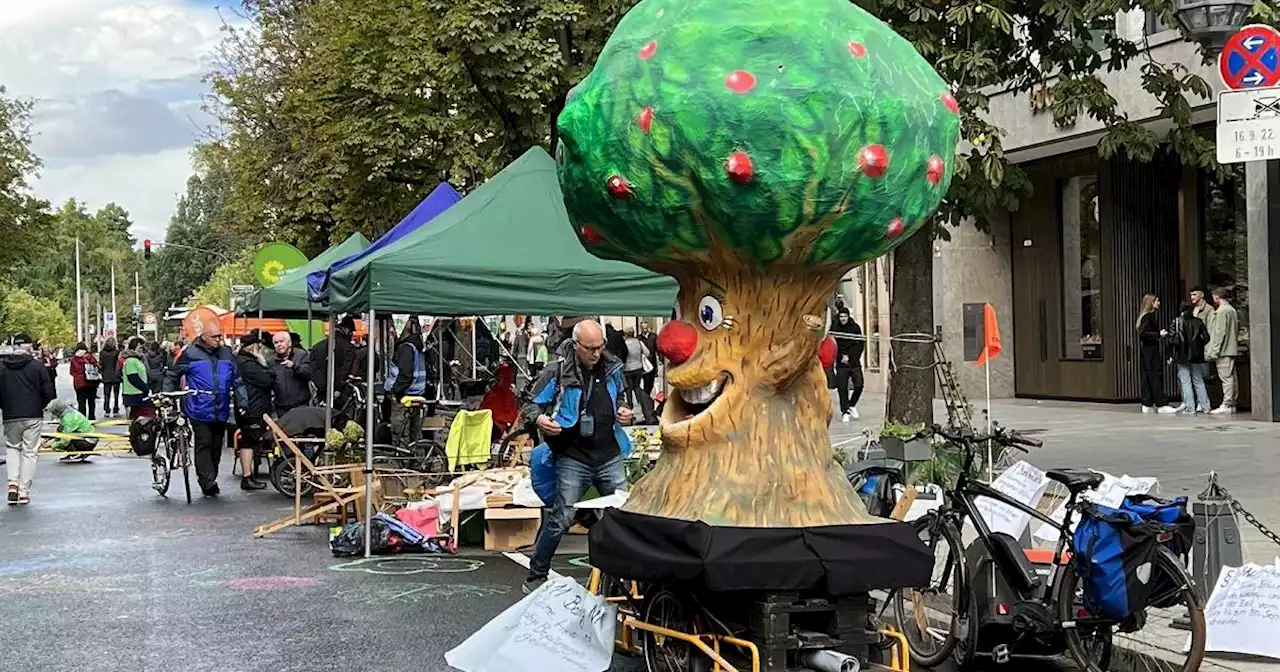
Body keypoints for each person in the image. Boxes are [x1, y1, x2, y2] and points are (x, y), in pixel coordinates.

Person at [520, 320, 633, 594]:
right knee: (562, 517)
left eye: (600, 347)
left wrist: (624, 410)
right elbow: (529, 404)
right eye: (590, 348)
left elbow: (623, 398)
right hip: (573, 456)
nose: (596, 353)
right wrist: (539, 419)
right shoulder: (557, 370)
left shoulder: (613, 367)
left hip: (609, 453)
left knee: (622, 517)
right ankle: (537, 574)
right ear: (576, 345)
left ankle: (626, 578)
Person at [164, 317, 240, 497]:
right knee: (204, 442)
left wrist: (242, 401)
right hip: (198, 407)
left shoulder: (226, 353)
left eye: (220, 337)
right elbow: (173, 375)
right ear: (204, 337)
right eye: (215, 337)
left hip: (220, 408)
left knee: (216, 445)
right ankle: (206, 481)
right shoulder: (190, 353)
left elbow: (237, 380)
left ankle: (210, 475)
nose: (219, 340)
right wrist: (167, 396)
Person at [1, 334, 56, 503]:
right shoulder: (36, 366)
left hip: (10, 414)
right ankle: (24, 491)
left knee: (12, 448)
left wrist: (5, 406)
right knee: (30, 452)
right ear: (28, 347)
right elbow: (49, 392)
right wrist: (40, 404)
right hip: (33, 414)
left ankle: (12, 484)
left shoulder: (2, 367)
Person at [233, 331, 272, 490]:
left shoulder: (241, 361)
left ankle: (248, 476)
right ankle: (247, 476)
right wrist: (265, 366)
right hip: (252, 408)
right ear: (254, 347)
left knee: (249, 440)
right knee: (249, 441)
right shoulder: (248, 363)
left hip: (249, 406)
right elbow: (266, 380)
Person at [386, 317, 427, 447]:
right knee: (415, 436)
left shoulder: (406, 348)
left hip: (404, 396)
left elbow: (405, 374)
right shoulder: (417, 347)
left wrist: (394, 391)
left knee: (400, 433)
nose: (391, 329)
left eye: (394, 325)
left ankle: (401, 461)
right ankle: (415, 461)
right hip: (417, 394)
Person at [1136, 294, 1177, 414]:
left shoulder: (1144, 317)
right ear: (1152, 303)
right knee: (1155, 374)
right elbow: (1144, 334)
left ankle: (1147, 403)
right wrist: (1159, 334)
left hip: (1147, 350)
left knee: (1148, 375)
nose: (1159, 303)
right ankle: (1161, 403)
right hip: (1151, 350)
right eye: (1157, 301)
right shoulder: (1148, 317)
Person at [1170, 302, 1211, 414]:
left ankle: (1190, 408)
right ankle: (1205, 406)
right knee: (1199, 380)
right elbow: (1207, 337)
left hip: (1182, 355)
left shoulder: (1177, 322)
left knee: (1185, 381)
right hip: (1197, 355)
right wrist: (1198, 346)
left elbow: (1172, 340)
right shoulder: (1198, 322)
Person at [1206, 287, 1240, 415]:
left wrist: (1215, 351)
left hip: (1224, 350)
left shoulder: (1221, 312)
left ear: (1216, 297)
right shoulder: (1231, 310)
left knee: (1226, 378)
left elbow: (1220, 333)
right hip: (1230, 348)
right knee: (1231, 377)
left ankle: (1227, 403)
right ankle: (1231, 403)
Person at [311, 316, 358, 406]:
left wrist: (321, 387)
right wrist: (338, 388)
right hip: (340, 395)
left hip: (321, 393)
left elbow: (313, 369)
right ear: (346, 329)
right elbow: (344, 371)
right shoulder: (349, 348)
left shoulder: (317, 347)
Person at [831, 306, 866, 421]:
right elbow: (833, 344)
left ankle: (851, 404)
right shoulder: (835, 327)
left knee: (859, 385)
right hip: (841, 364)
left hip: (854, 362)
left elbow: (860, 344)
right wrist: (841, 356)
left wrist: (850, 356)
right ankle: (845, 411)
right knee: (842, 388)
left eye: (845, 316)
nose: (843, 319)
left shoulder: (855, 327)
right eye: (841, 316)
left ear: (848, 316)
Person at [271, 330, 312, 415]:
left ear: (289, 343)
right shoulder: (271, 360)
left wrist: (294, 366)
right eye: (276, 343)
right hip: (281, 406)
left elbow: (308, 374)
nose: (279, 345)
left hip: (300, 404)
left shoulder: (301, 355)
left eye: (281, 341)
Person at [46, 399, 98, 463]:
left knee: (68, 437)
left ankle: (75, 453)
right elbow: (60, 431)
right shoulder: (69, 412)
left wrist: (53, 445)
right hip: (88, 438)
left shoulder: (68, 419)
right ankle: (77, 453)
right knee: (60, 429)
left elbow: (65, 439)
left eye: (53, 412)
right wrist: (49, 440)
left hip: (88, 441)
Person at [622, 327, 657, 424]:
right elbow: (647, 353)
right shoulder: (639, 342)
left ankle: (630, 409)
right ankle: (643, 406)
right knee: (637, 387)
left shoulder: (624, 344)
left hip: (627, 370)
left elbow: (622, 355)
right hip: (638, 369)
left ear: (625, 334)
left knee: (628, 389)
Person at [121, 337, 155, 420]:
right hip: (133, 395)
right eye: (140, 347)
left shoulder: (137, 360)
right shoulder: (131, 361)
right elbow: (133, 378)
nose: (142, 350)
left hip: (139, 393)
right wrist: (145, 388)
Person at [69, 342, 101, 420]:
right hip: (91, 382)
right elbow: (97, 366)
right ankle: (92, 418)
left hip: (79, 383)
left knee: (81, 403)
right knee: (91, 402)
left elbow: (71, 371)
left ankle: (82, 420)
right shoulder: (89, 357)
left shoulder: (74, 359)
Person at [98, 337, 123, 417]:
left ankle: (107, 410)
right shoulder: (117, 352)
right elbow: (119, 364)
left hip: (106, 375)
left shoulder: (102, 353)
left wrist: (102, 373)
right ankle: (115, 410)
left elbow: (100, 364)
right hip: (116, 375)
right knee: (116, 394)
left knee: (106, 394)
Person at [640, 321, 658, 395]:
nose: (645, 329)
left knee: (651, 381)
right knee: (646, 381)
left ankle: (647, 395)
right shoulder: (639, 338)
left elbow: (657, 348)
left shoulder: (653, 336)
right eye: (643, 328)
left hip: (653, 362)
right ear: (641, 328)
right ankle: (646, 396)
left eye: (646, 328)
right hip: (644, 364)